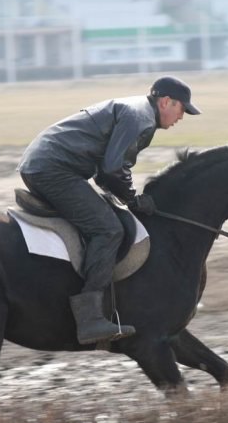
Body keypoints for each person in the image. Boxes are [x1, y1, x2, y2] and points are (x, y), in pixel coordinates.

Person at [17, 76, 201, 345]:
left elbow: (106, 173)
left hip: (49, 164)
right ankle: (90, 318)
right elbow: (112, 169)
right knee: (108, 229)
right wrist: (133, 199)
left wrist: (127, 196)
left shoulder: (137, 111)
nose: (182, 116)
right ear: (165, 102)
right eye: (182, 109)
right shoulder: (141, 118)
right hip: (53, 169)